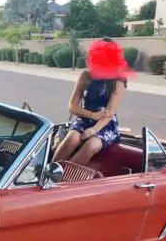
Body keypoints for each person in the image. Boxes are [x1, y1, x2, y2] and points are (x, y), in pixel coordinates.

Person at [52, 38, 131, 166]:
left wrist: (93, 130)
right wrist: (92, 115)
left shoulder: (118, 81)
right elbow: (72, 107)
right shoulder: (86, 76)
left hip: (106, 124)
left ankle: (64, 179)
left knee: (91, 145)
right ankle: (48, 173)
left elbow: (109, 113)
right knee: (71, 139)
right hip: (85, 118)